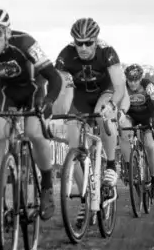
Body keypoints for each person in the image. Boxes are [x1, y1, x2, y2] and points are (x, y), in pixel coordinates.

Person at [0, 5, 63, 230]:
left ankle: (47, 186)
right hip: (5, 92)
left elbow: (54, 78)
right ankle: (1, 208)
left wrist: (48, 101)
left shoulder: (25, 43)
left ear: (7, 32)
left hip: (34, 89)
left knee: (34, 133)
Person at [54, 17, 126, 224]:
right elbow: (60, 87)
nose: (83, 48)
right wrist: (60, 111)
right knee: (73, 148)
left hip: (104, 92)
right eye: (79, 43)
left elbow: (119, 87)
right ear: (73, 42)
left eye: (88, 43)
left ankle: (111, 165)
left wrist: (112, 105)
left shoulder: (107, 52)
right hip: (79, 97)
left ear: (96, 40)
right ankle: (86, 199)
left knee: (103, 114)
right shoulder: (65, 55)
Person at [119, 64, 154, 199]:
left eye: (136, 80)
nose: (133, 83)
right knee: (123, 132)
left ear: (141, 78)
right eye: (130, 80)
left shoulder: (149, 87)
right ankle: (130, 167)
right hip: (131, 116)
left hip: (147, 117)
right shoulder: (123, 87)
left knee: (150, 146)